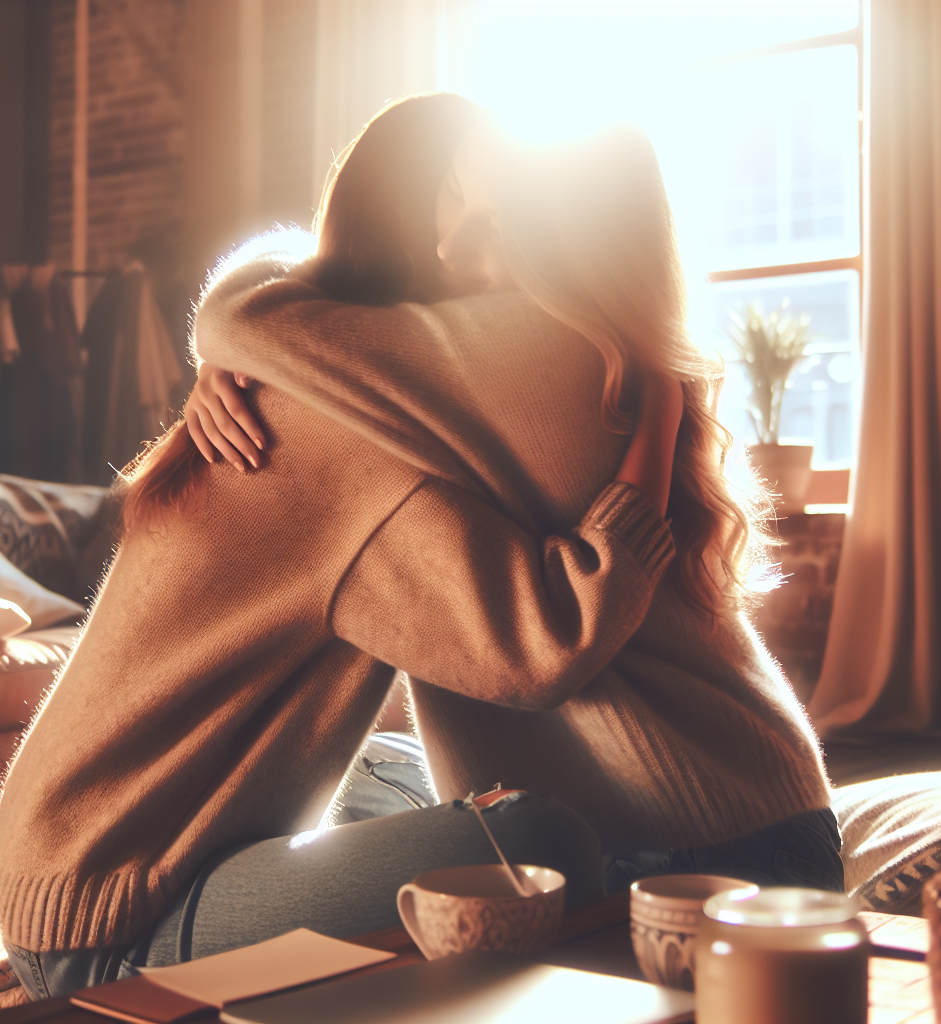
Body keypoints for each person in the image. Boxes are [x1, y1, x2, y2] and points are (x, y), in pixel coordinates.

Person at [0, 95, 681, 1001]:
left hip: (71, 859)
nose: (499, 255)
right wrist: (655, 435)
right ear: (420, 231)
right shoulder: (351, 442)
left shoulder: (298, 368)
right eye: (476, 217)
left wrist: (232, 326)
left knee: (402, 771)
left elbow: (276, 269)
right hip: (109, 921)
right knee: (541, 843)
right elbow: (542, 642)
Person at [191, 99, 839, 898]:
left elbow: (252, 314)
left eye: (497, 222)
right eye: (458, 197)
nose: (450, 240)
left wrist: (236, 355)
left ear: (568, 247)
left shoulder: (535, 356)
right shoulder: (615, 356)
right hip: (767, 808)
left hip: (689, 843)